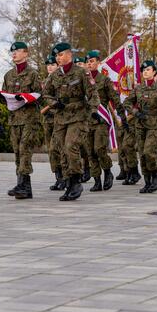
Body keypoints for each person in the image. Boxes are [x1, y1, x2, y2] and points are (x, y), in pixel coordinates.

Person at [43, 42, 100, 201]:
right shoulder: (55, 76)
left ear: (69, 55)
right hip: (61, 117)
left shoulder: (82, 73)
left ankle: (76, 181)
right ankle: (68, 183)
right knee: (62, 150)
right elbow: (46, 94)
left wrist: (93, 110)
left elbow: (93, 94)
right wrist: (54, 104)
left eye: (60, 54)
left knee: (70, 146)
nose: (58, 58)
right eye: (56, 56)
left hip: (78, 116)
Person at [124, 60, 157, 193]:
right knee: (142, 154)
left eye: (148, 70)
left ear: (154, 72)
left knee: (149, 152)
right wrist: (136, 112)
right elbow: (127, 103)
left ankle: (155, 176)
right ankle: (147, 180)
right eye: (144, 70)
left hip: (154, 125)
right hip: (140, 125)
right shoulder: (138, 88)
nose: (145, 72)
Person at [0, 41, 42, 199]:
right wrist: (1, 97)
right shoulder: (8, 75)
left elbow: (38, 95)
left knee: (25, 149)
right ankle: (24, 186)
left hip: (30, 119)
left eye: (17, 51)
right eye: (12, 52)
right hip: (14, 119)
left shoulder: (33, 74)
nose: (14, 54)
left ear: (26, 53)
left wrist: (24, 97)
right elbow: (6, 97)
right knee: (17, 151)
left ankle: (23, 184)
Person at [85, 50, 127, 192]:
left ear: (98, 62)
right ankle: (97, 180)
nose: (89, 64)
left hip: (101, 119)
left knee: (99, 149)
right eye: (88, 61)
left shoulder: (104, 80)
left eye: (92, 61)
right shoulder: (83, 80)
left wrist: (122, 116)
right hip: (87, 121)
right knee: (90, 152)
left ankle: (108, 172)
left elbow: (114, 99)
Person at [40, 55, 65, 191]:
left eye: (53, 65)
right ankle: (58, 177)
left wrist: (50, 106)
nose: (49, 67)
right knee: (51, 150)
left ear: (58, 66)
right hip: (47, 120)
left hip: (58, 118)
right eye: (48, 65)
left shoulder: (61, 80)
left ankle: (65, 177)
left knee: (58, 149)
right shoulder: (44, 82)